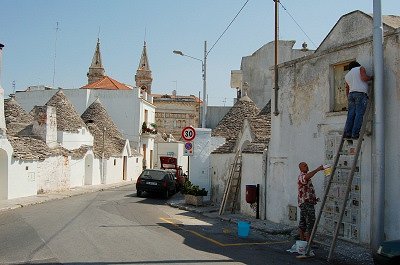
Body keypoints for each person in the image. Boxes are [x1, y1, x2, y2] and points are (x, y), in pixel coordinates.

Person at [343, 61, 373, 139]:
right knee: (359, 114)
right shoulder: (360, 68)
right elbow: (364, 78)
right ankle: (355, 133)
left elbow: (347, 88)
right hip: (360, 94)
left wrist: (349, 98)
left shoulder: (347, 75)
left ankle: (348, 133)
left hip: (351, 95)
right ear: (357, 65)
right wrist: (371, 77)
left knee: (351, 115)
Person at [298, 162, 324, 241]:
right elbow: (306, 177)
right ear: (301, 168)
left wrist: (314, 198)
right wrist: (317, 170)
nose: (307, 166)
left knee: (303, 222)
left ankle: (303, 241)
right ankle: (308, 242)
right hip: (306, 204)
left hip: (306, 203)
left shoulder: (306, 177)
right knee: (310, 222)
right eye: (304, 166)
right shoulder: (302, 176)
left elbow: (307, 191)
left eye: (306, 165)